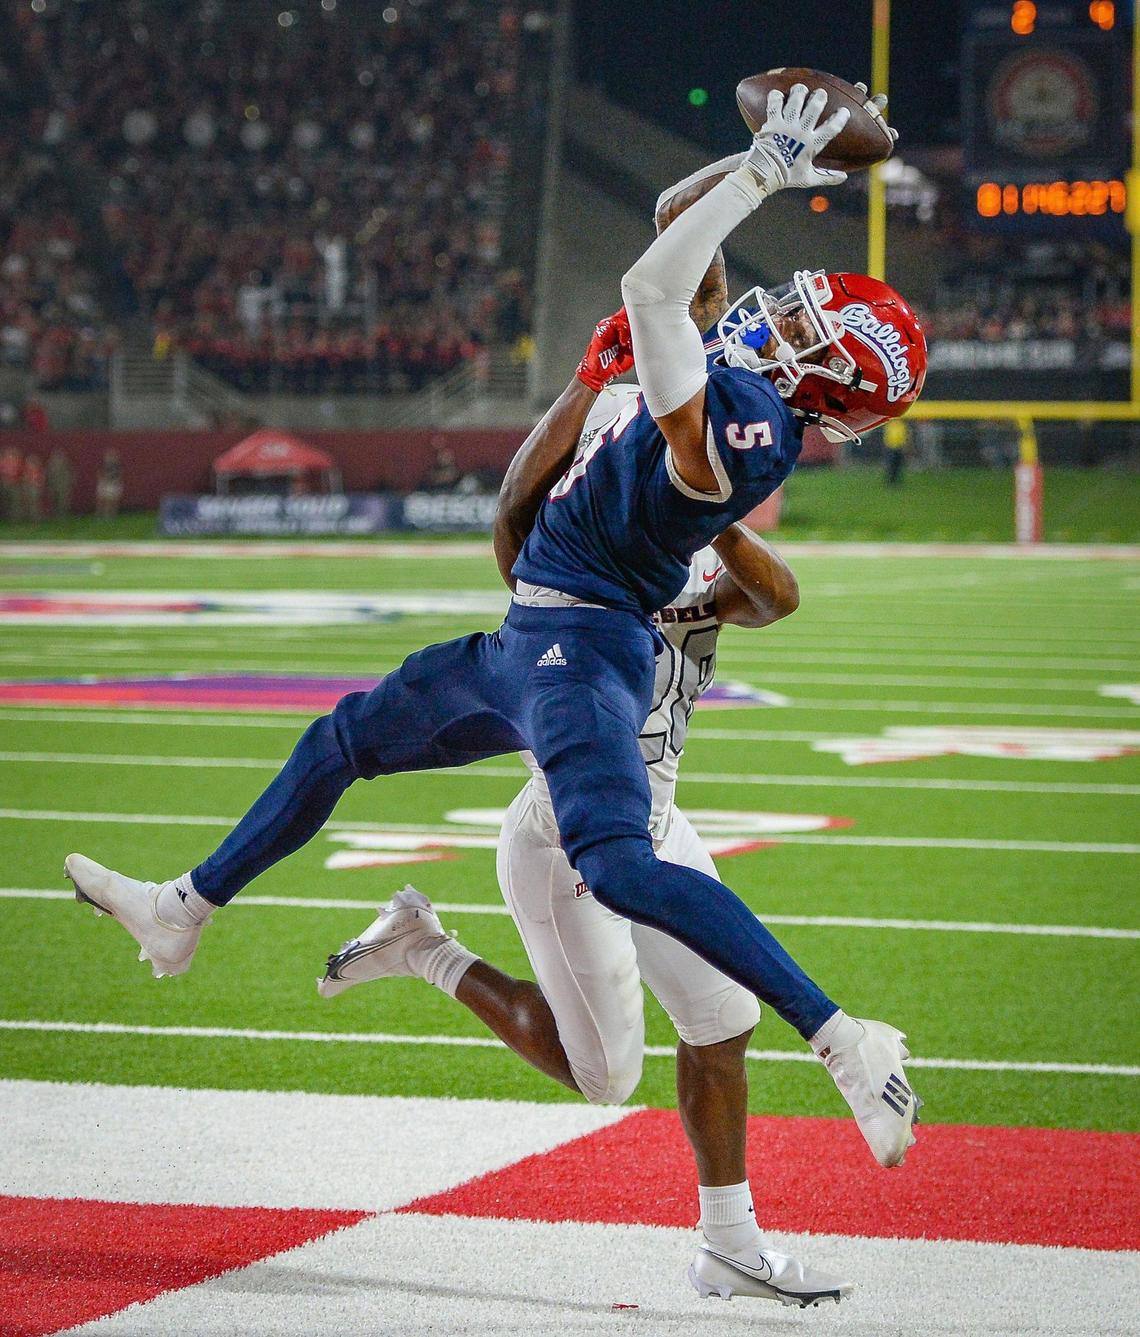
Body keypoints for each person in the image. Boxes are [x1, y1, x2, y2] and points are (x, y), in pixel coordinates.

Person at [67, 83, 926, 1235]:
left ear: (823, 381)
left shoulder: (747, 427)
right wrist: (756, 155)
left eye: (811, 320)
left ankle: (841, 1038)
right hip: (535, 632)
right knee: (343, 738)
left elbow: (655, 282)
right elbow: (677, 224)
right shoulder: (735, 371)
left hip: (588, 645)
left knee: (619, 868)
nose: (786, 305)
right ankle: (186, 903)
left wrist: (770, 169)